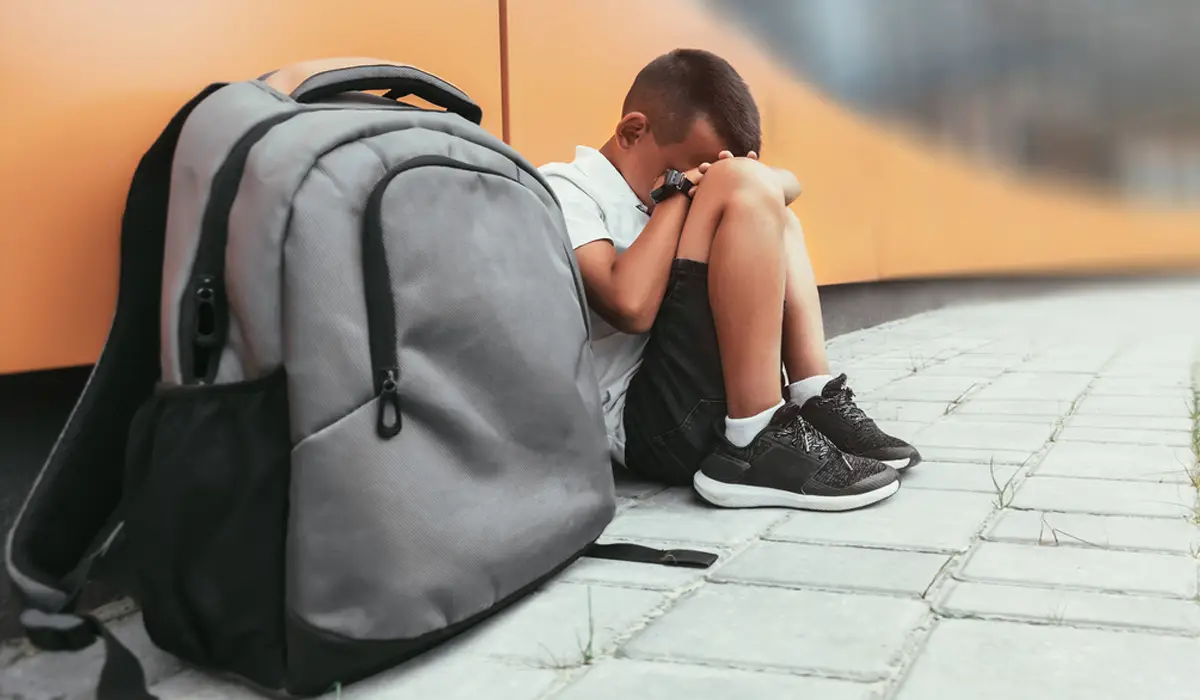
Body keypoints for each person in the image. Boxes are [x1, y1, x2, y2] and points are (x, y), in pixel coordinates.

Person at [539, 48, 921, 511]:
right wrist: (679, 195)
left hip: (696, 395)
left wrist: (738, 180)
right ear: (632, 131)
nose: (697, 180)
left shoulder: (680, 183)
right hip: (650, 429)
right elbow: (630, 306)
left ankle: (812, 397)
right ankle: (754, 438)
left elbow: (787, 183)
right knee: (749, 190)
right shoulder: (565, 188)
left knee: (779, 214)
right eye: (689, 169)